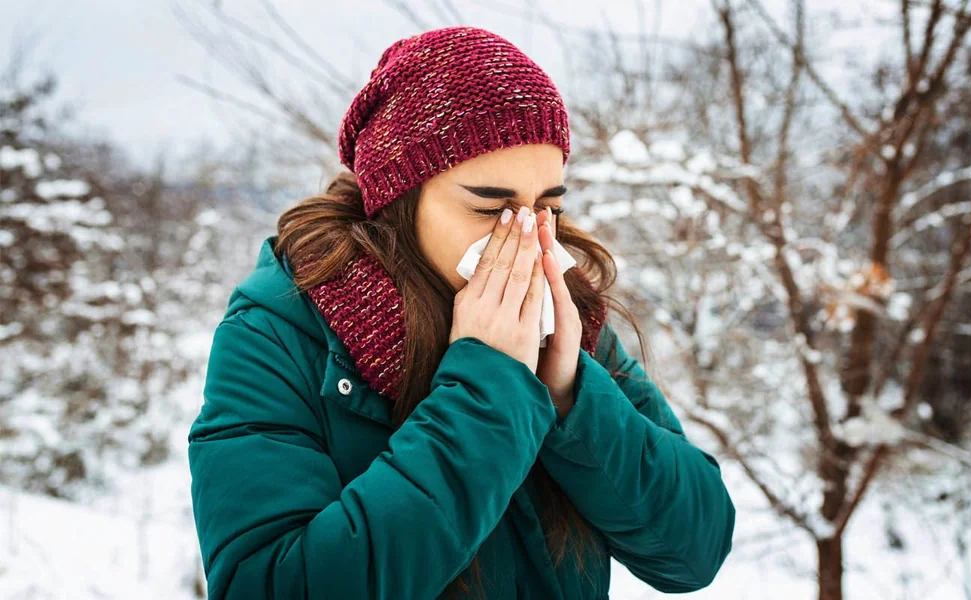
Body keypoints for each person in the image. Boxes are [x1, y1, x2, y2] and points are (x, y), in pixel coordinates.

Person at [187, 25, 735, 600]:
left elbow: (694, 552)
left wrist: (571, 395)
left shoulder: (566, 319)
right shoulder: (281, 331)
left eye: (546, 205)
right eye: (490, 206)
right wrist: (488, 391)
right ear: (399, 199)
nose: (526, 235)